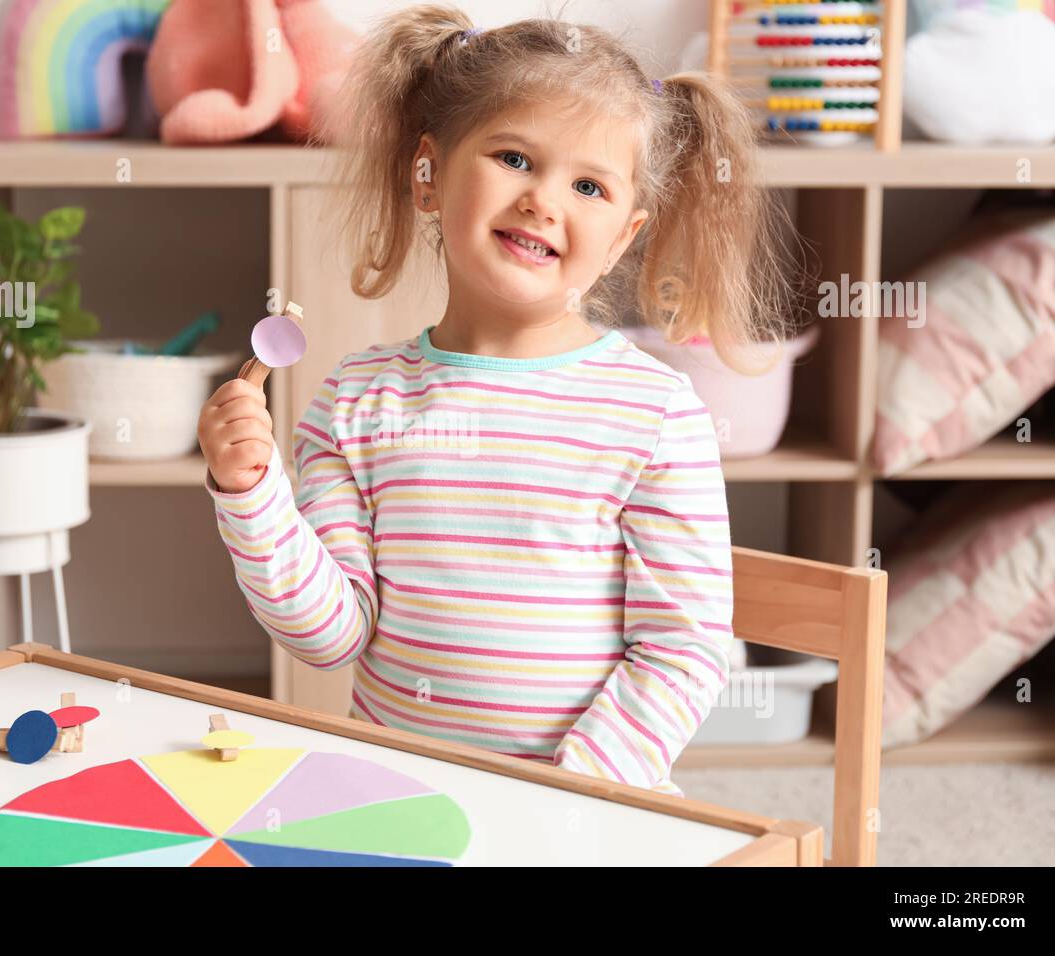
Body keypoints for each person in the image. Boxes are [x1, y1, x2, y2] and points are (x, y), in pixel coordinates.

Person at [198, 3, 798, 796]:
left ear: (622, 235)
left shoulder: (656, 415)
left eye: (588, 184)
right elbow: (331, 633)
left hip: (582, 805)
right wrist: (252, 495)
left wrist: (567, 793)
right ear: (429, 174)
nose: (545, 201)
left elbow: (681, 651)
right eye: (515, 158)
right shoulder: (355, 402)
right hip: (399, 799)